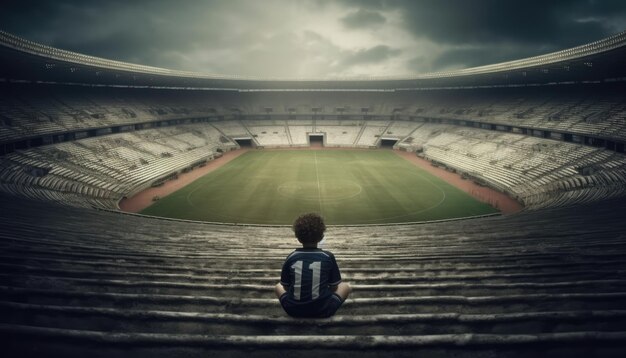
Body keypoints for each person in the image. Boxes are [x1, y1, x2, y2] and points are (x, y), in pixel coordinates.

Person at [274, 213, 352, 318]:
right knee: (345, 286)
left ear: (297, 237)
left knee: (277, 286)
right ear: (321, 237)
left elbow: (285, 286)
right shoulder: (328, 256)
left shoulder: (291, 257)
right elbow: (334, 286)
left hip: (293, 310)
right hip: (324, 310)